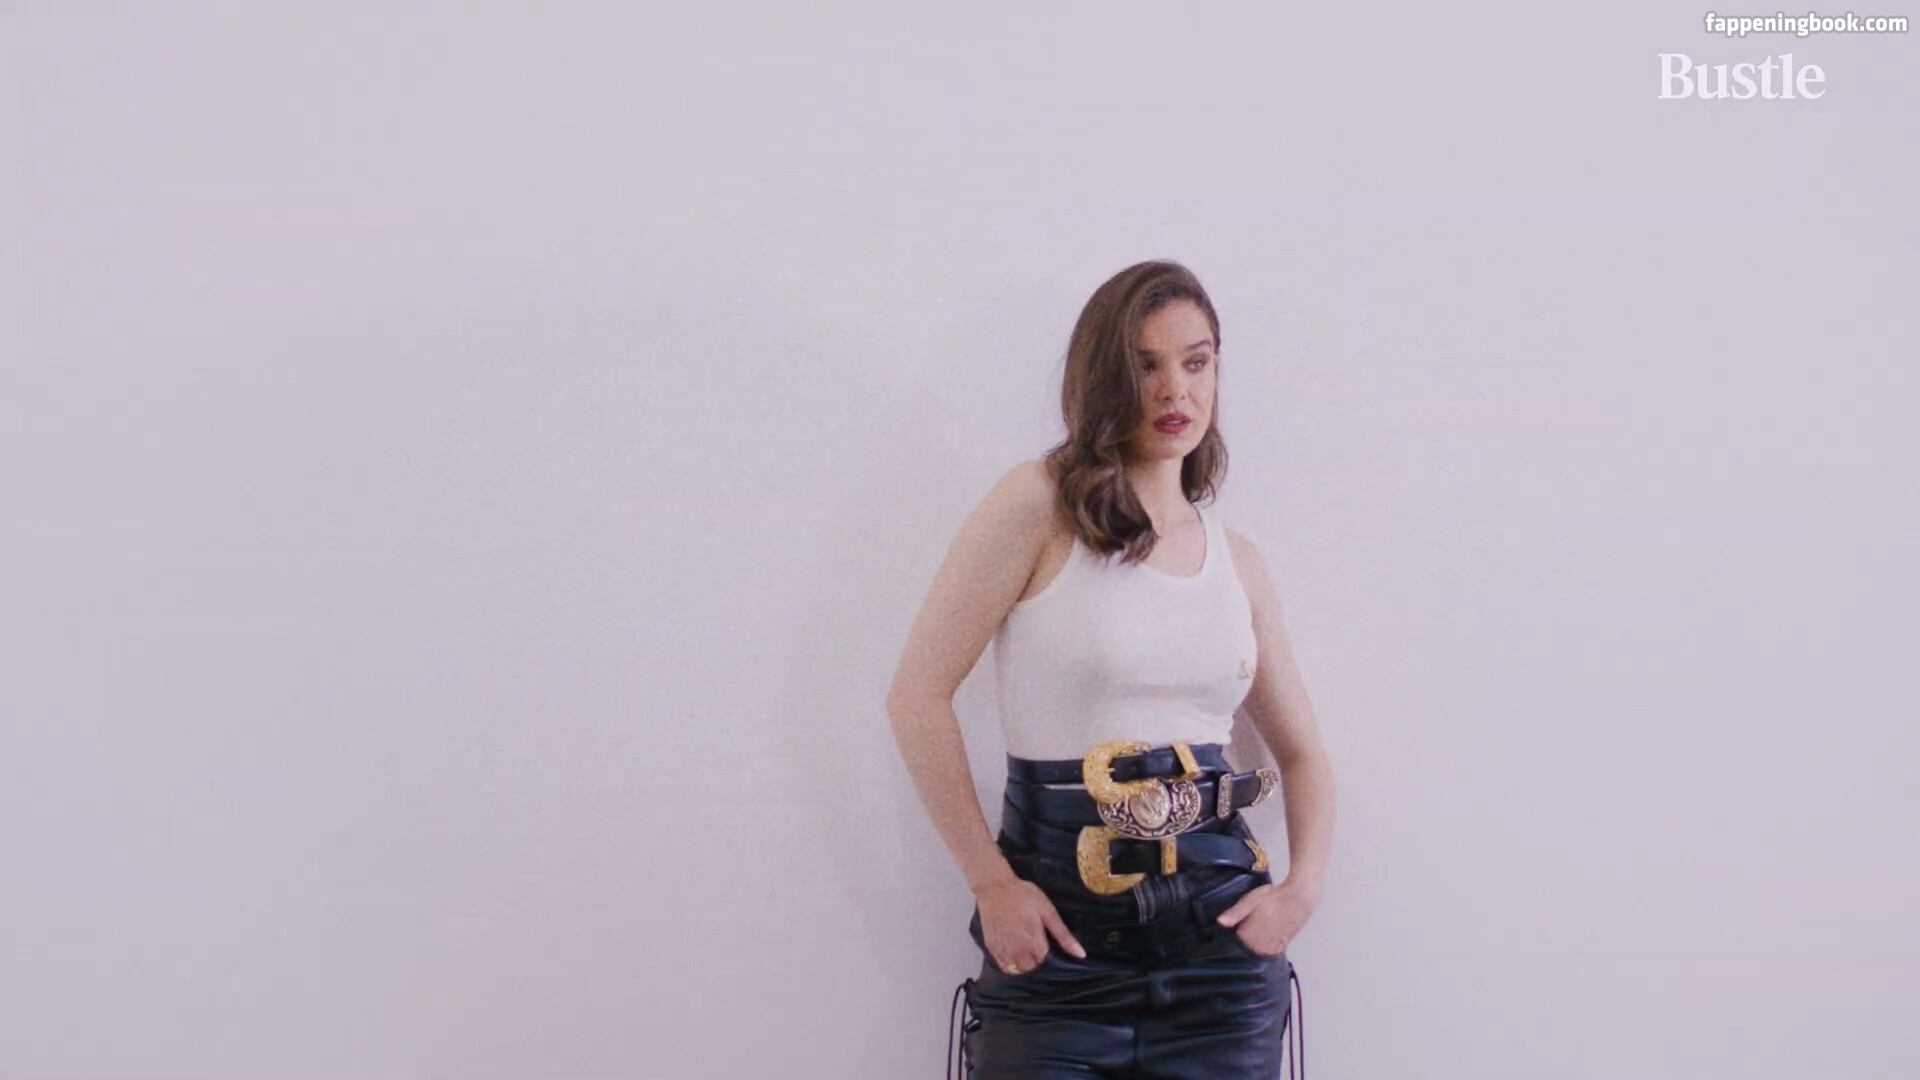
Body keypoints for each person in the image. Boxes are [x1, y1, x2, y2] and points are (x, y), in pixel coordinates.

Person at [886, 259, 1338, 1079]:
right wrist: (991, 883)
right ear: (1104, 377)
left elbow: (1303, 754)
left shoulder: (1238, 562)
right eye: (1145, 365)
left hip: (1219, 962)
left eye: (1196, 363)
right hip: (1058, 950)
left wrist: (1299, 893)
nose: (1175, 390)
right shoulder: (1037, 504)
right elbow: (916, 696)